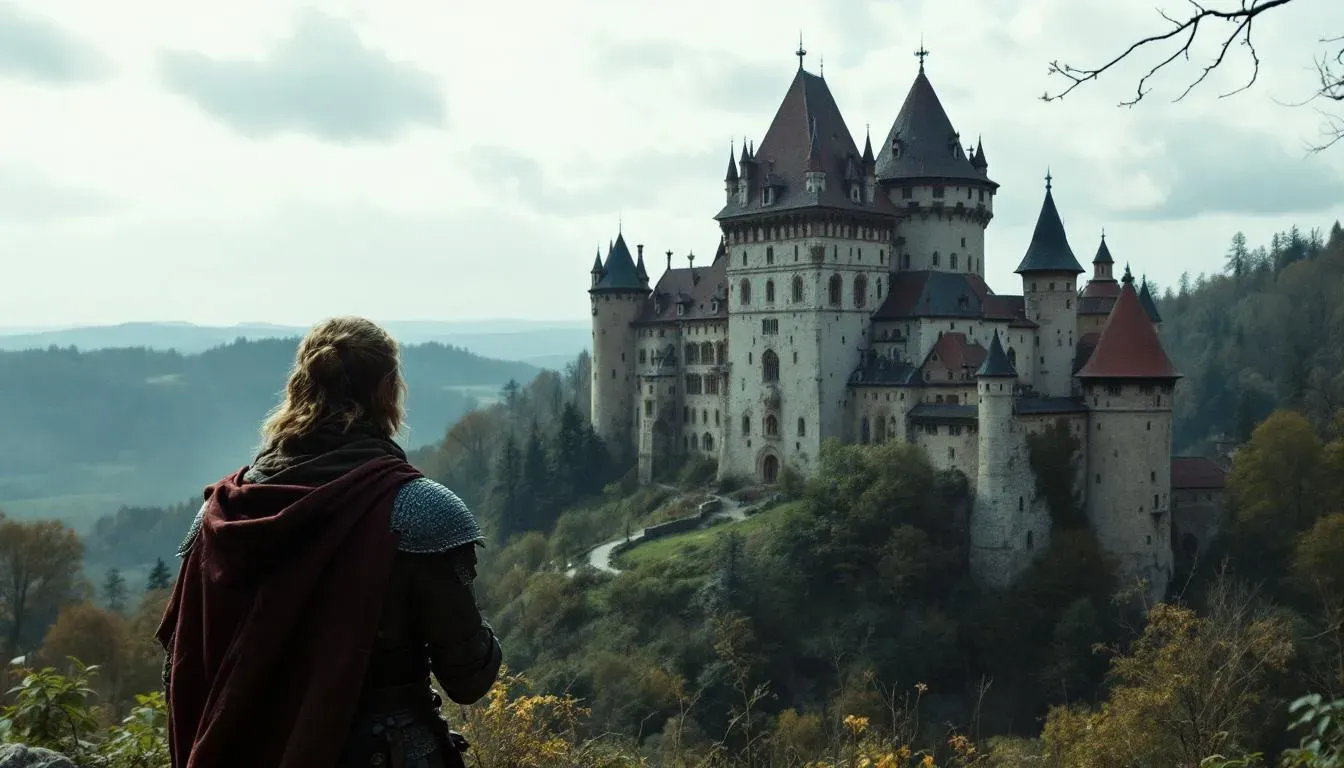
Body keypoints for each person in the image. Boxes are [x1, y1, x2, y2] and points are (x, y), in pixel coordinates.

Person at [156, 317, 502, 768]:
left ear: (299, 387)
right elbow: (469, 678)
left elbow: (179, 672)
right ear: (387, 392)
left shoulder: (219, 516)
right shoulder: (418, 512)